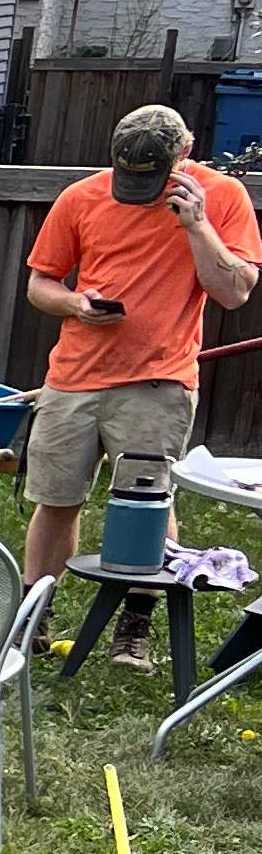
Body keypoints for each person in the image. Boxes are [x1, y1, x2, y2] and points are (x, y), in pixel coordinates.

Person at [20, 102, 261, 590]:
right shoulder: (81, 196)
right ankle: (35, 615)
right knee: (58, 501)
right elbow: (39, 283)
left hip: (158, 380)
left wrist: (196, 225)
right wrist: (74, 303)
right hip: (73, 378)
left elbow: (234, 292)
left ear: (185, 153)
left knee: (145, 504)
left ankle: (137, 617)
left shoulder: (222, 196)